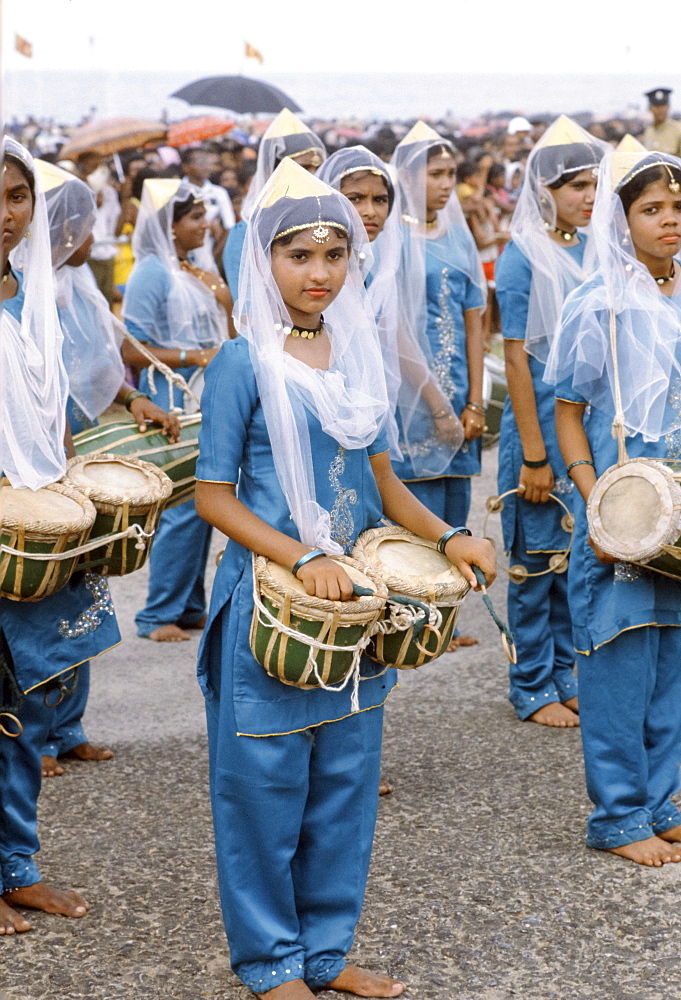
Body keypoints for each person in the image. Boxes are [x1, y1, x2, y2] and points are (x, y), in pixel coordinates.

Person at [194, 157, 496, 998]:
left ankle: (325, 956)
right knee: (262, 789)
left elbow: (384, 485)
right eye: (299, 256)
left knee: (343, 786)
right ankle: (269, 964)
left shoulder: (357, 353)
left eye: (334, 256)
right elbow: (212, 497)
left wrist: (456, 534)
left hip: (354, 604)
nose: (319, 273)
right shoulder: (239, 362)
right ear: (265, 262)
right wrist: (302, 555)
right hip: (272, 606)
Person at [547, 138, 681, 866]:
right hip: (618, 513)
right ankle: (618, 815)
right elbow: (567, 407)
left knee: (671, 660)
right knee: (618, 661)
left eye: (677, 207)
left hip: (680, 510)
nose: (668, 221)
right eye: (651, 209)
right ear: (619, 220)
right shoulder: (595, 303)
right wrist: (592, 495)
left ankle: (661, 801)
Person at [0, 138, 121, 930]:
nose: (5, 213)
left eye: (16, 196)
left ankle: (15, 865)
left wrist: (70, 487)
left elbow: (49, 411)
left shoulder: (27, 286)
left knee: (20, 704)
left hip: (28, 522)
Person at [37, 159, 180, 777]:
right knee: (35, 595)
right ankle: (27, 736)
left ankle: (67, 726)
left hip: (87, 454)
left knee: (85, 590)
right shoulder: (21, 290)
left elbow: (101, 367)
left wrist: (134, 398)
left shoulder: (81, 286)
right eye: (84, 226)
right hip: (37, 463)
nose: (95, 238)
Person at [496, 115, 605, 727]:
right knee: (533, 561)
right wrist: (534, 455)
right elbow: (515, 356)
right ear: (545, 192)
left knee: (571, 557)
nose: (589, 198)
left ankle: (565, 673)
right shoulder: (522, 259)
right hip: (538, 425)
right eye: (576, 187)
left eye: (594, 185)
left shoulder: (592, 248)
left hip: (581, 426)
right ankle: (531, 683)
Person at [390, 121, 487, 648]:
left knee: (456, 505)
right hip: (411, 395)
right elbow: (394, 328)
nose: (447, 184)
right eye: (436, 174)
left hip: (458, 386)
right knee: (417, 507)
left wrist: (473, 398)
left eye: (451, 174)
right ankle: (414, 616)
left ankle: (445, 617)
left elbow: (475, 315)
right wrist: (434, 401)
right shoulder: (392, 237)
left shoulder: (457, 233)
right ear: (408, 175)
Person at [122, 178, 228, 642]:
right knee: (182, 507)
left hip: (204, 397)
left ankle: (189, 606)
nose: (205, 224)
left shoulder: (192, 267)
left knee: (206, 501)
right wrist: (194, 357)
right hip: (171, 398)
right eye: (195, 217)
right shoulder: (151, 271)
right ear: (169, 225)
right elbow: (129, 348)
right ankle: (156, 613)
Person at [222, 108, 327, 296]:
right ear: (273, 171)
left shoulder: (329, 222)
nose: (313, 177)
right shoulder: (246, 232)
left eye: (317, 168)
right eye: (303, 168)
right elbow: (247, 307)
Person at [180, 147, 235, 270]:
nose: (205, 167)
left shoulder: (218, 192)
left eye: (207, 162)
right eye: (200, 163)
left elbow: (229, 227)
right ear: (186, 167)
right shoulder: (177, 191)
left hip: (208, 254)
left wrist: (214, 255)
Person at [641, 88, 681, 156]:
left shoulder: (678, 130)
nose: (660, 110)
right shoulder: (648, 131)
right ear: (650, 108)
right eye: (656, 107)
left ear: (668, 107)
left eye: (663, 106)